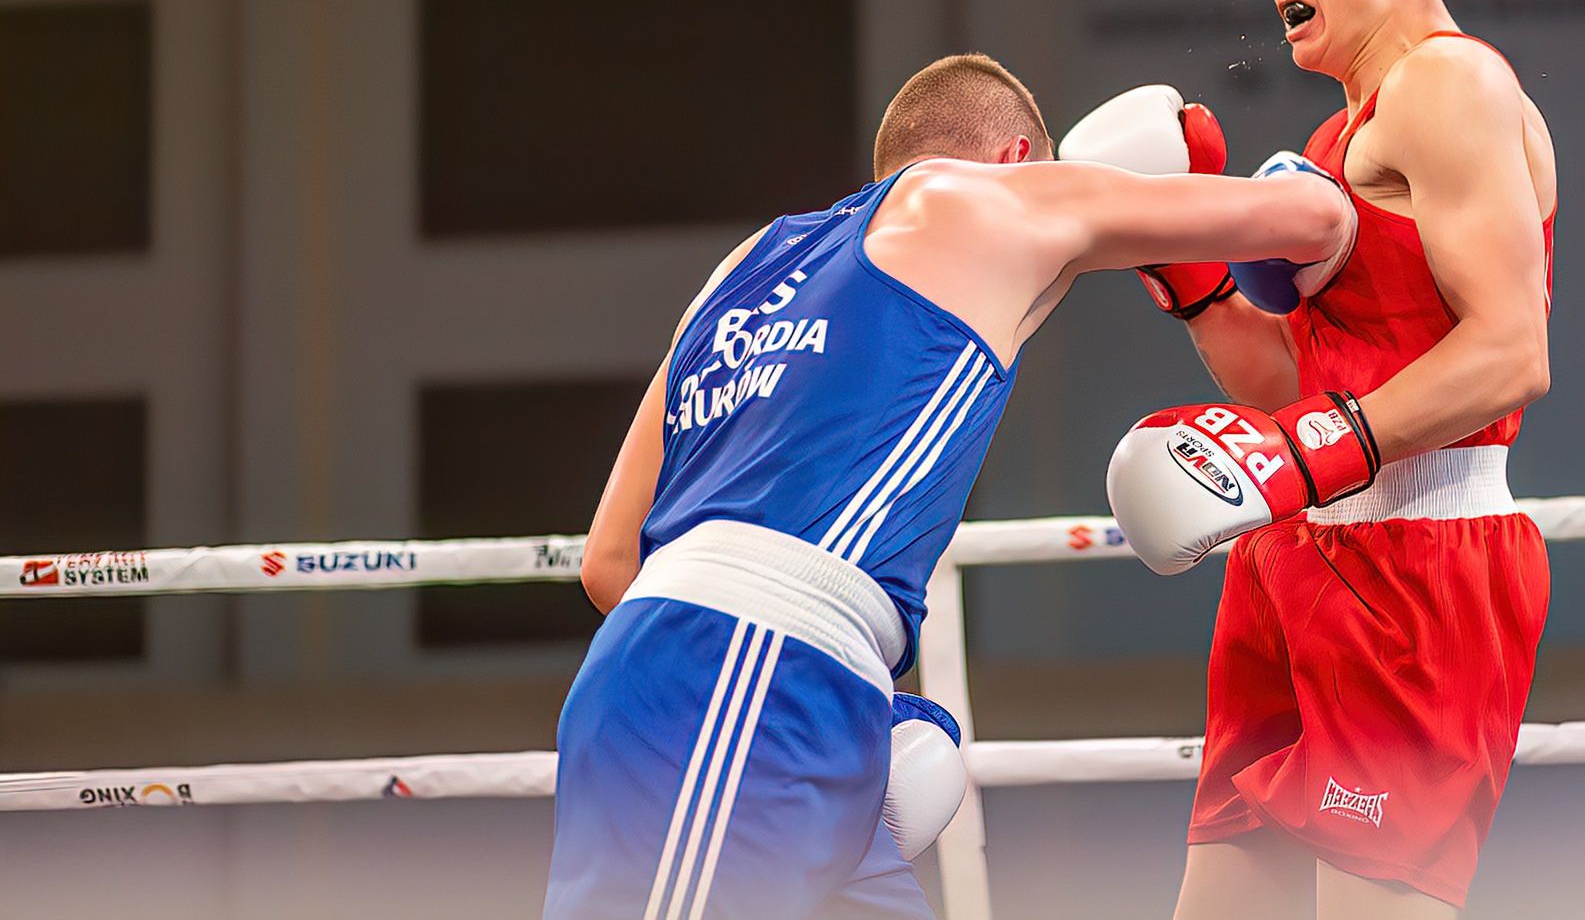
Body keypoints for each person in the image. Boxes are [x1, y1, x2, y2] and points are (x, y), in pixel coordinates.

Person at [543, 52, 1355, 919]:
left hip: (703, 674)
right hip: (754, 683)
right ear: (1015, 161)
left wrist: (854, 684)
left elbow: (609, 560)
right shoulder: (980, 197)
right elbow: (1311, 215)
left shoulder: (749, 263)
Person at [1062, 0, 1556, 917]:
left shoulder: (1450, 83)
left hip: (1416, 570)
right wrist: (1188, 278)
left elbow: (1511, 350)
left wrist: (1317, 449)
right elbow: (1291, 389)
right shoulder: (1336, 143)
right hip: (1294, 560)